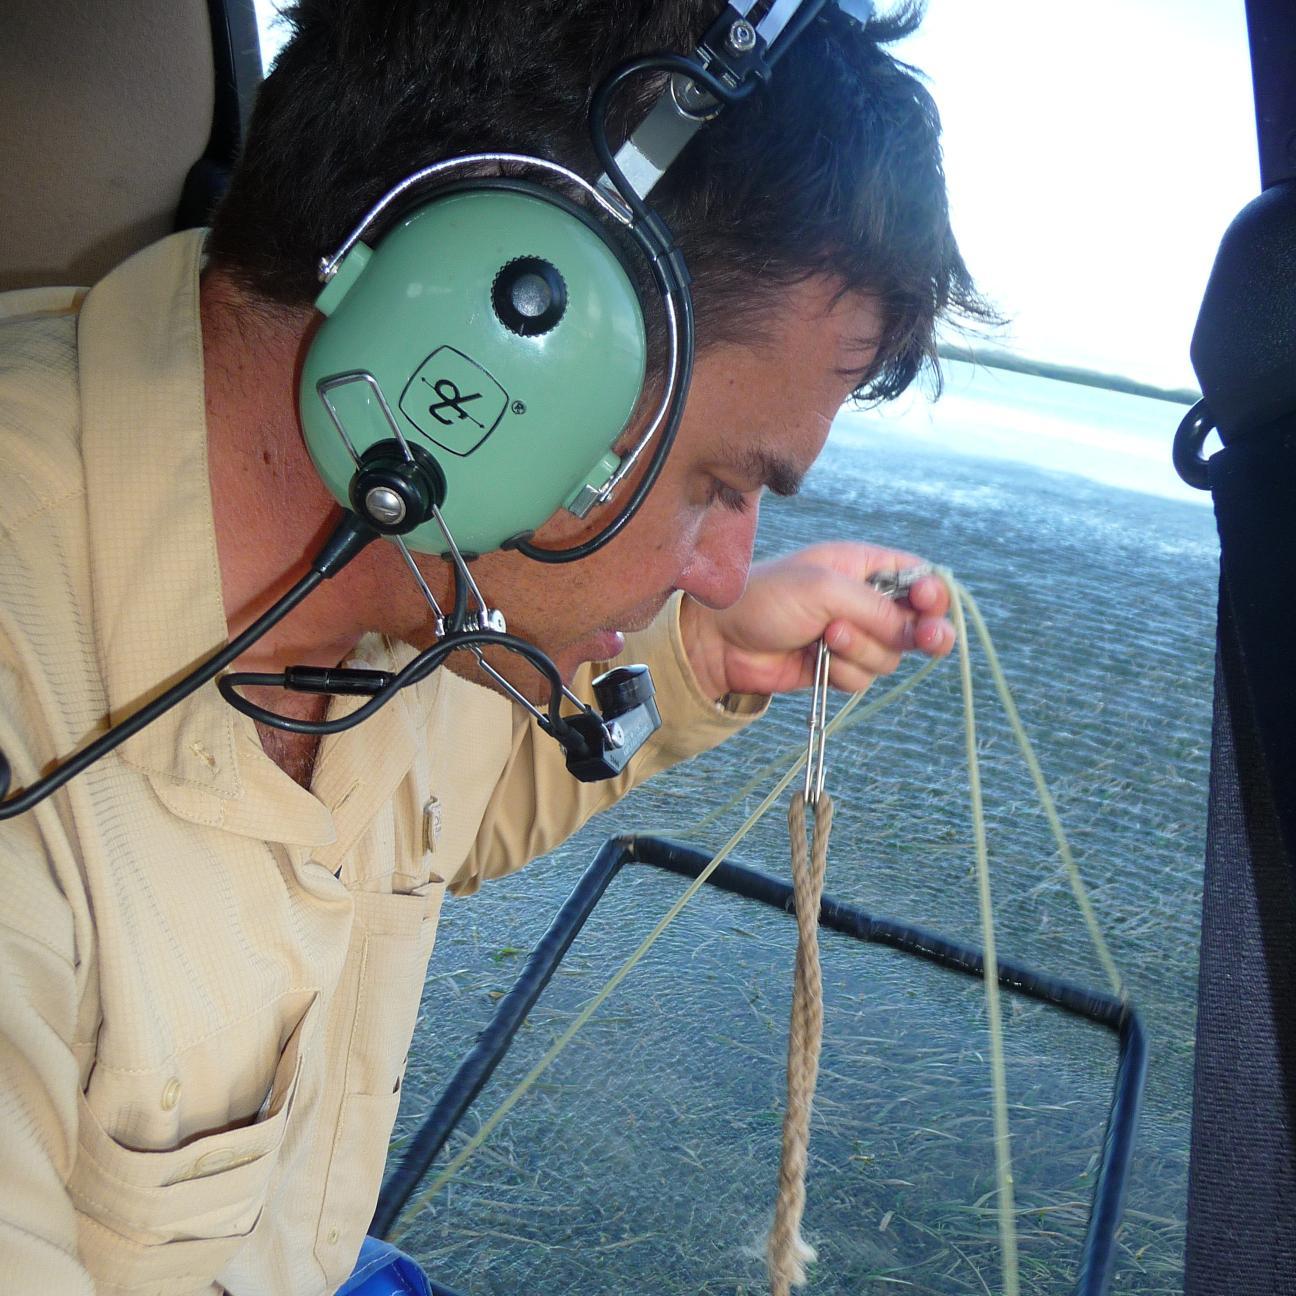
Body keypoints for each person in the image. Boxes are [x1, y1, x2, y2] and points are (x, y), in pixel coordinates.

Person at [0, 1, 989, 1292]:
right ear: (490, 345)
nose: (725, 565)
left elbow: (436, 823)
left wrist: (705, 654)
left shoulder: (408, 577)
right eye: (718, 487)